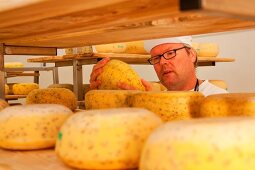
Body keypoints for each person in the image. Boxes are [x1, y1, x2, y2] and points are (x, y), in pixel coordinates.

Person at [90, 36, 228, 96]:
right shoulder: (157, 99)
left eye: (170, 53)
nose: (162, 62)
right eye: (156, 58)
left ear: (191, 54)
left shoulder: (217, 97)